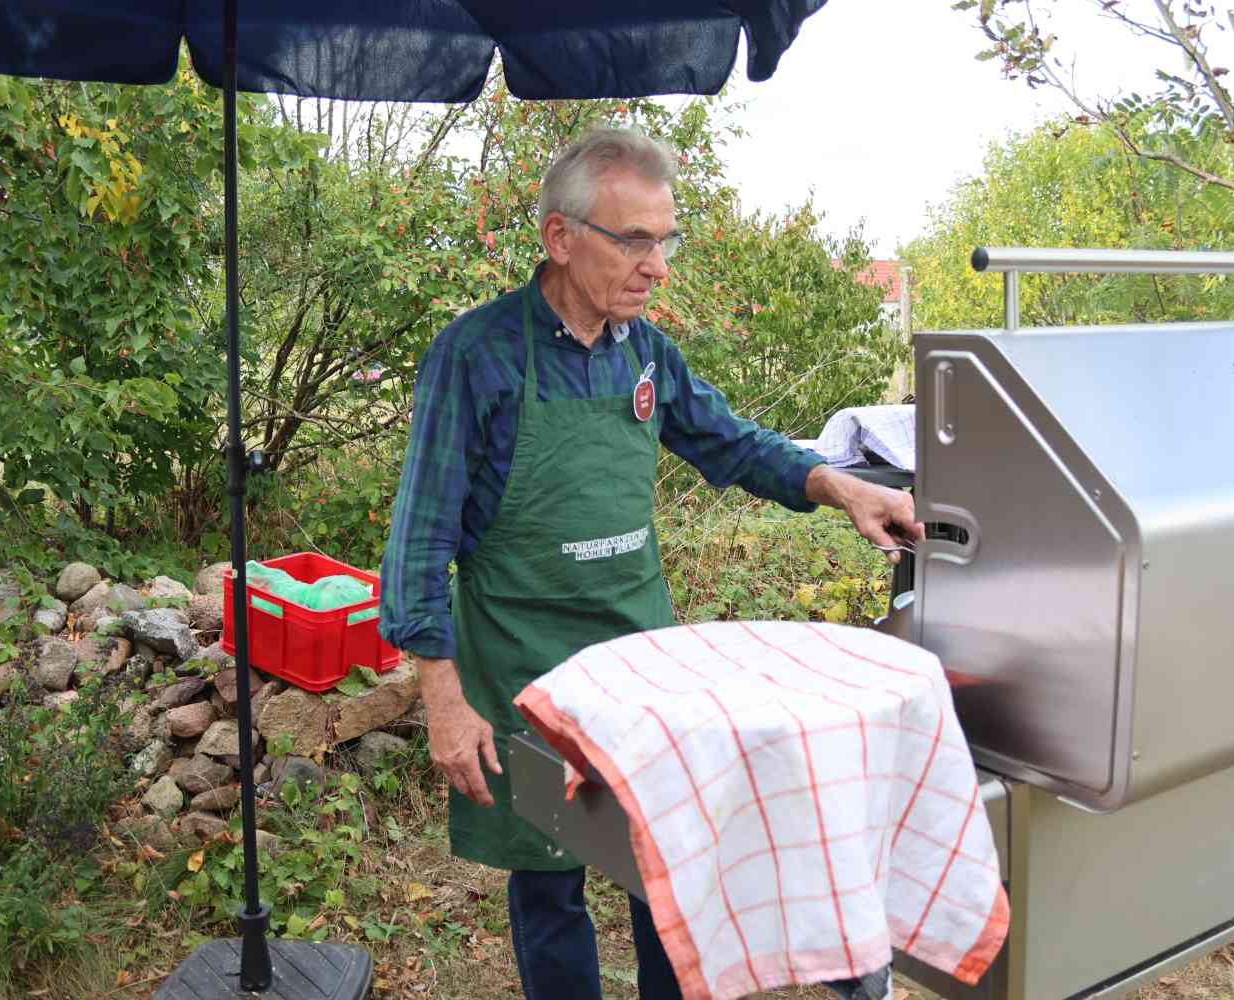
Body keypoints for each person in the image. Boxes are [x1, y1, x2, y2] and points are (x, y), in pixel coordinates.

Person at [378, 127, 923, 1000]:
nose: (656, 265)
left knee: (665, 867)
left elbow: (731, 442)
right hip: (526, 665)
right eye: (633, 239)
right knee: (550, 879)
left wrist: (840, 487)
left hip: (641, 662)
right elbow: (419, 541)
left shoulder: (644, 353)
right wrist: (445, 702)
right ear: (560, 239)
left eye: (664, 239)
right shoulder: (476, 358)